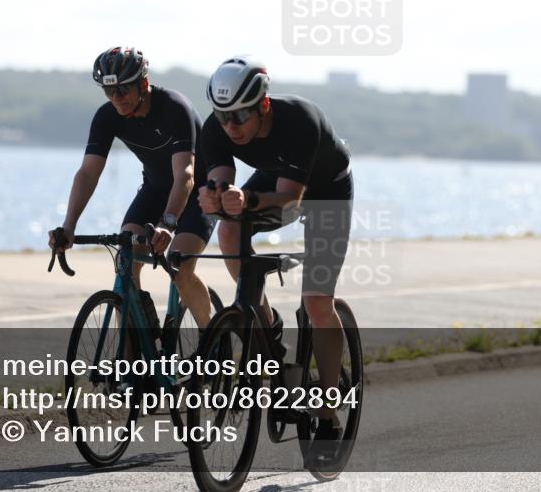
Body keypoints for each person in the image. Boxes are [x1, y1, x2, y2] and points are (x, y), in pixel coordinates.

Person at [197, 55, 353, 466]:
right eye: (222, 117)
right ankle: (262, 321)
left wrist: (245, 199)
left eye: (239, 118)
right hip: (276, 178)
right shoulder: (219, 126)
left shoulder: (299, 120)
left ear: (263, 106)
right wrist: (213, 197)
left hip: (325, 191)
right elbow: (219, 180)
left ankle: (328, 410)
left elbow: (289, 202)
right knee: (228, 228)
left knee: (317, 302)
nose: (230, 128)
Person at [49, 47, 216, 331]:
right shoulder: (108, 116)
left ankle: (213, 340)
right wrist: (68, 226)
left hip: (197, 194)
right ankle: (132, 365)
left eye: (124, 89)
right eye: (108, 91)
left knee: (180, 268)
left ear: (144, 84)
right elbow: (88, 173)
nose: (117, 98)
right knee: (125, 264)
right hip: (154, 190)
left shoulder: (175, 108)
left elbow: (185, 174)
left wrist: (168, 222)